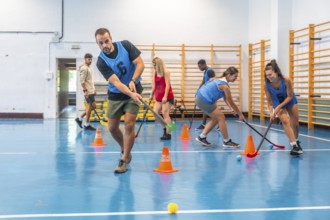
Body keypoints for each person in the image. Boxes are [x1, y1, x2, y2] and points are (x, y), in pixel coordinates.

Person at [95, 28, 144, 173]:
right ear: (97, 44)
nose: (104, 45)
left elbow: (140, 64)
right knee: (112, 128)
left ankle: (124, 159)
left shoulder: (126, 45)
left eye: (106, 41)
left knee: (129, 124)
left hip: (134, 88)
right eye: (101, 43)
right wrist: (130, 94)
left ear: (111, 39)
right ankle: (124, 148)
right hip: (117, 94)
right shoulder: (101, 62)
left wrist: (133, 80)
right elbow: (116, 82)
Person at [195, 66, 244, 147]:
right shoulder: (224, 86)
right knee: (221, 117)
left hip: (200, 99)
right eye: (235, 76)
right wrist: (240, 114)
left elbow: (226, 99)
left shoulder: (221, 81)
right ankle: (226, 141)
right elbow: (231, 102)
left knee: (216, 119)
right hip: (203, 100)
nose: (236, 78)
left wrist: (231, 108)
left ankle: (202, 137)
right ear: (228, 75)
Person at [264, 59, 303, 156]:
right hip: (277, 103)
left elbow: (289, 96)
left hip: (289, 101)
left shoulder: (286, 80)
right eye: (267, 75)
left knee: (296, 125)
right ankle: (294, 145)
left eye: (270, 74)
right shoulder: (266, 85)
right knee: (285, 120)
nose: (268, 77)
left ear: (276, 72)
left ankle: (296, 141)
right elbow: (269, 101)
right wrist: (271, 112)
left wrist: (278, 107)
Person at [149, 57, 175, 140]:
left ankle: (168, 133)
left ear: (159, 65)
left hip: (167, 97)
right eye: (153, 65)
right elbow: (154, 85)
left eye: (155, 65)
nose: (154, 66)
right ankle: (166, 127)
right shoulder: (155, 73)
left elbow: (168, 85)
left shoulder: (166, 72)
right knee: (155, 113)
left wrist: (165, 96)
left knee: (165, 113)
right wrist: (151, 94)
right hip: (159, 97)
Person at [75, 53, 96, 131]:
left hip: (90, 91)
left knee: (93, 106)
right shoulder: (84, 68)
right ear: (85, 59)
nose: (90, 61)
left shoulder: (87, 67)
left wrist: (93, 90)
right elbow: (82, 81)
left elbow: (89, 81)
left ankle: (80, 119)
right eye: (89, 59)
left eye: (91, 59)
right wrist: (86, 91)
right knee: (90, 107)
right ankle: (86, 124)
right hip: (88, 92)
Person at [195, 59, 216, 130]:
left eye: (200, 66)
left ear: (204, 64)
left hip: (212, 93)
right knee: (206, 109)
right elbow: (203, 81)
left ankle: (218, 123)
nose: (199, 68)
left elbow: (214, 82)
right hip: (208, 93)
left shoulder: (210, 71)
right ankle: (204, 124)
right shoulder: (206, 71)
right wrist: (198, 91)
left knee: (211, 109)